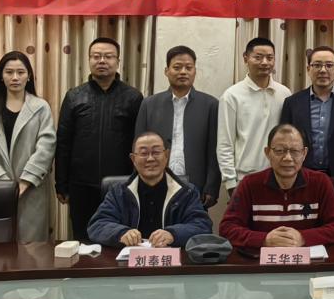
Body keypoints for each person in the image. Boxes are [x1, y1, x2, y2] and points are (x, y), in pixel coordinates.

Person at [55, 37, 143, 241]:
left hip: (120, 185)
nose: (102, 60)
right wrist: (61, 183)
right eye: (96, 56)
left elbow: (138, 144)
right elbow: (63, 142)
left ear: (118, 61)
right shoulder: (74, 96)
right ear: (89, 60)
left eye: (108, 56)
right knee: (82, 240)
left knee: (119, 240)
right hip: (81, 186)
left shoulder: (133, 97)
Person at [0, 51, 56, 243]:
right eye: (9, 72)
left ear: (29, 76)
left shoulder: (41, 107)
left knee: (31, 248)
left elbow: (47, 145)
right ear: (1, 75)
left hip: (30, 189)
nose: (15, 77)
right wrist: (3, 184)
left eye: (20, 72)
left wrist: (25, 181)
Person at [219, 124, 334, 250]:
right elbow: (227, 228)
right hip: (261, 262)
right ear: (267, 152)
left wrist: (303, 237)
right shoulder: (249, 184)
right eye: (279, 151)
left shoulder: (321, 182)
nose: (287, 158)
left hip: (309, 261)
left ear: (304, 153)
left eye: (295, 151)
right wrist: (264, 239)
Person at [279, 46, 334, 229]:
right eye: (317, 65)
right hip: (300, 179)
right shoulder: (292, 102)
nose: (323, 70)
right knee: (303, 230)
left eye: (329, 65)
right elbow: (282, 143)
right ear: (308, 69)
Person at [87, 132, 213, 248]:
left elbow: (202, 226)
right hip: (130, 261)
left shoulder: (186, 192)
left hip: (172, 261)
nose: (150, 158)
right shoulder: (118, 193)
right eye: (143, 153)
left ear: (166, 155)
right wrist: (121, 233)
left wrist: (173, 234)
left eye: (156, 152)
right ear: (133, 159)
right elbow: (97, 225)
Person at [135, 45, 220, 208]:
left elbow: (214, 150)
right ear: (166, 71)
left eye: (188, 67)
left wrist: (211, 187)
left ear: (195, 71)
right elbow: (139, 147)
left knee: (193, 223)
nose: (183, 72)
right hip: (155, 182)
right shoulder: (149, 104)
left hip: (195, 184)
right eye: (177, 67)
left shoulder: (210, 105)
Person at [218, 37, 292, 197]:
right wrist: (230, 183)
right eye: (258, 57)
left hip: (280, 177)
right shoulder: (232, 96)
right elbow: (225, 144)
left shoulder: (284, 93)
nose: (265, 62)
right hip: (245, 179)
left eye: (270, 58)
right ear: (246, 58)